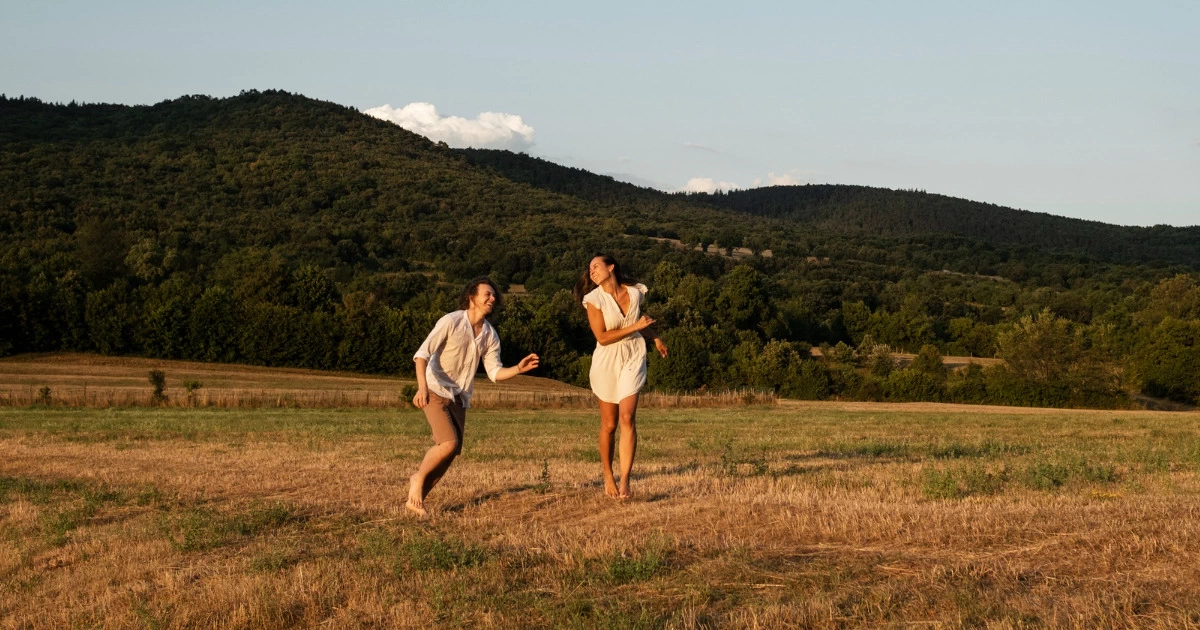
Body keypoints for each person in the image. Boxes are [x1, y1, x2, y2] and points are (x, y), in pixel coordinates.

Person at [408, 277, 539, 516]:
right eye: (487, 294)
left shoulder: (490, 335)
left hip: (459, 396)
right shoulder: (451, 321)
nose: (493, 298)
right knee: (448, 443)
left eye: (494, 295)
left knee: (449, 455)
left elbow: (494, 372)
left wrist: (518, 369)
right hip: (436, 387)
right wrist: (422, 387)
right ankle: (417, 479)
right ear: (472, 297)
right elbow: (422, 355)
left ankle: (416, 501)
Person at [573, 254, 668, 499]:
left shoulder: (635, 292)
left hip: (633, 355)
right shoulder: (593, 300)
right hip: (607, 360)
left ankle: (625, 480)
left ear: (611, 267)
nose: (591, 271)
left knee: (627, 417)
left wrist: (655, 338)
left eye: (596, 266)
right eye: (589, 269)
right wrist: (636, 327)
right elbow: (602, 337)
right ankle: (608, 474)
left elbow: (638, 321)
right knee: (610, 424)